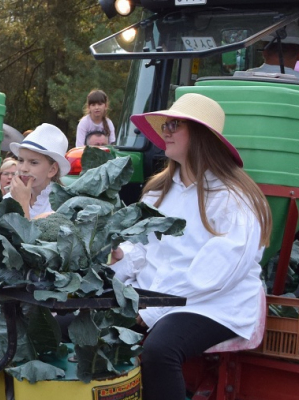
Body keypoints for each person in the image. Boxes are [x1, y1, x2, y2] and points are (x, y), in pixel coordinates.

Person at [111, 93, 272, 400]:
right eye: (165, 124)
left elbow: (214, 275)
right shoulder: (158, 192)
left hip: (215, 304)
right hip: (156, 298)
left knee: (160, 351)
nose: (165, 131)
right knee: (77, 322)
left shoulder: (234, 198)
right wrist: (119, 259)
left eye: (175, 125)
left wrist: (152, 310)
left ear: (201, 136)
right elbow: (141, 250)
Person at [6, 123, 71, 219]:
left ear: (52, 170)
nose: (24, 168)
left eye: (33, 162)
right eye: (20, 160)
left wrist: (22, 203)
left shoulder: (62, 206)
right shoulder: (10, 197)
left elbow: (26, 233)